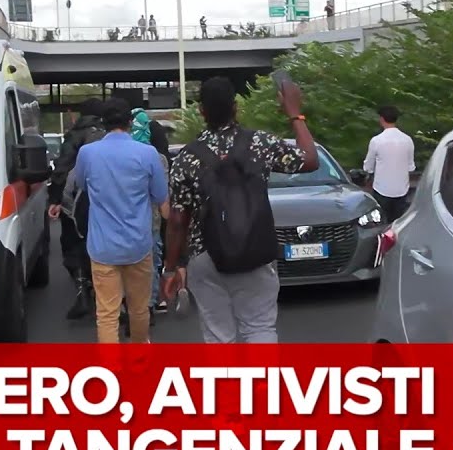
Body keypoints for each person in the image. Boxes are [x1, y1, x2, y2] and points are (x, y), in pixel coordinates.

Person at [162, 76, 318, 343]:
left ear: (202, 112)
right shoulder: (260, 144)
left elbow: (178, 220)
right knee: (259, 328)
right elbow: (309, 160)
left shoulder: (186, 158)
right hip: (256, 250)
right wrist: (294, 114)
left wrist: (171, 267)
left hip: (206, 255)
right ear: (236, 108)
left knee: (219, 336)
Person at [75, 98, 169, 343]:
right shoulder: (148, 154)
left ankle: (111, 371)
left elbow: (82, 185)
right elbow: (161, 197)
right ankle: (139, 358)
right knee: (139, 309)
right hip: (139, 244)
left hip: (102, 246)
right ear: (130, 122)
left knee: (106, 314)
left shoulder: (87, 153)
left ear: (103, 123)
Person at [48, 98, 107, 319]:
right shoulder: (108, 133)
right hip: (106, 200)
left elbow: (62, 167)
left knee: (73, 243)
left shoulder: (74, 135)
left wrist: (54, 199)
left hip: (75, 199)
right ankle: (110, 296)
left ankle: (82, 288)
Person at [129, 108, 169, 315]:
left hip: (122, 222)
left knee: (126, 266)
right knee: (151, 264)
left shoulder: (120, 155)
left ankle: (129, 305)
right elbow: (163, 195)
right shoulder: (158, 158)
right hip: (151, 221)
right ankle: (149, 304)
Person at [362, 105, 415, 223]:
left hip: (382, 189)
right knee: (397, 223)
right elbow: (411, 166)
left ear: (381, 119)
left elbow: (368, 166)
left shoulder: (377, 140)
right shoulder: (407, 140)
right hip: (402, 189)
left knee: (381, 222)